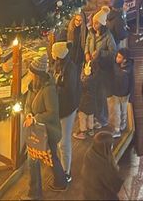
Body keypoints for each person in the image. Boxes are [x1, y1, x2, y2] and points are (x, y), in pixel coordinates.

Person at [23, 51, 68, 196]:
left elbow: (52, 113)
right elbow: (28, 104)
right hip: (37, 132)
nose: (29, 74)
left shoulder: (48, 90)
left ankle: (34, 194)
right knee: (49, 158)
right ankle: (60, 183)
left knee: (38, 159)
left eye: (31, 72)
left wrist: (35, 119)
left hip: (48, 131)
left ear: (37, 74)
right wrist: (29, 113)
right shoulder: (32, 86)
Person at [51, 41, 79, 182]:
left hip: (67, 110)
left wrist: (53, 90)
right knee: (60, 141)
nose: (51, 54)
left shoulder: (70, 68)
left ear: (59, 54)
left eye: (53, 52)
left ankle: (66, 173)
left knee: (64, 143)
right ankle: (61, 168)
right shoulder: (59, 64)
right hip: (60, 108)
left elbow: (69, 90)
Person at [85, 6, 117, 128]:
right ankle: (94, 115)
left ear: (102, 24)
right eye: (93, 23)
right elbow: (87, 43)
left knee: (101, 94)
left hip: (102, 69)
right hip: (91, 68)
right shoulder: (91, 33)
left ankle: (103, 118)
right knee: (92, 93)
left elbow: (113, 51)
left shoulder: (108, 36)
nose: (94, 25)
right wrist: (86, 53)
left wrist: (100, 53)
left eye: (97, 23)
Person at [82, 130, 124, 201]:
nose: (112, 146)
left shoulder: (89, 154)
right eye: (111, 145)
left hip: (88, 194)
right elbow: (116, 187)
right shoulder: (105, 166)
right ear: (106, 147)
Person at [107, 48, 133, 138]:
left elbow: (131, 81)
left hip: (124, 93)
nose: (116, 58)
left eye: (119, 57)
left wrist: (131, 93)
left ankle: (123, 124)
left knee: (123, 110)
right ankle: (118, 128)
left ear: (124, 59)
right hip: (116, 93)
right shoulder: (116, 66)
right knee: (117, 112)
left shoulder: (127, 68)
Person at [74, 60, 96, 140]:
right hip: (92, 104)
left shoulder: (84, 83)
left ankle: (82, 132)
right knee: (90, 117)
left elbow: (80, 91)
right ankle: (91, 130)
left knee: (82, 118)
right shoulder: (94, 80)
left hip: (83, 104)